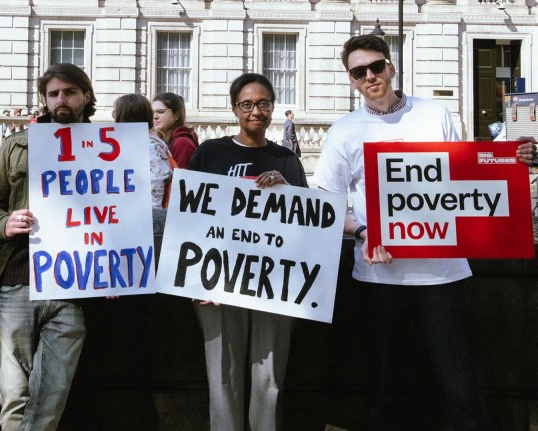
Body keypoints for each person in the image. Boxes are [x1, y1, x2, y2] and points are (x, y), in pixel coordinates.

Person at [313, 34, 537, 430]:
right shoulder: (343, 131)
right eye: (359, 71)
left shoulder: (437, 115)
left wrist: (515, 159)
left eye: (376, 66)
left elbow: (469, 178)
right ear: (351, 79)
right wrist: (364, 232)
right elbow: (326, 204)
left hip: (443, 275)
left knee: (460, 384)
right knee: (382, 387)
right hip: (379, 276)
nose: (370, 76)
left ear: (391, 67)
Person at [187, 73, 308, 431]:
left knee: (268, 379)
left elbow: (306, 226)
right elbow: (189, 216)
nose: (256, 111)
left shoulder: (288, 160)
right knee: (221, 377)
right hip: (217, 284)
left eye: (263, 103)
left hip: (274, 286)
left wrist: (289, 191)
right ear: (234, 110)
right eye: (247, 104)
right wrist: (197, 280)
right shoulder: (210, 152)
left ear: (272, 108)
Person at [0, 63, 95, 431]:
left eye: (70, 92)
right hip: (16, 282)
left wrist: (116, 273)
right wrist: (4, 222)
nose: (61, 99)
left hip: (75, 287)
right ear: (44, 99)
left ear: (85, 96)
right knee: (13, 394)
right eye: (54, 93)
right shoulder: (17, 145)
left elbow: (124, 216)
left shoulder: (111, 147)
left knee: (52, 394)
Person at [112, 93, 175, 209]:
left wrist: (152, 221)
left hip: (147, 219)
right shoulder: (140, 142)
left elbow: (155, 188)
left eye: (114, 114)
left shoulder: (149, 146)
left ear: (124, 117)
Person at [152, 92, 199, 167]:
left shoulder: (182, 143)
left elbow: (181, 177)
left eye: (160, 112)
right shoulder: (159, 141)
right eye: (152, 112)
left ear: (176, 115)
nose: (155, 116)